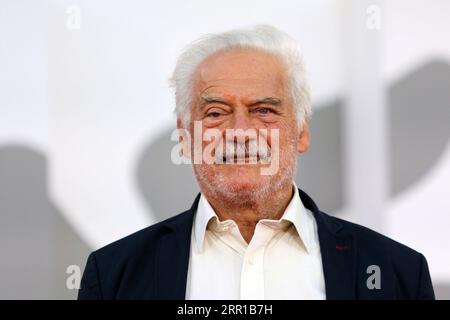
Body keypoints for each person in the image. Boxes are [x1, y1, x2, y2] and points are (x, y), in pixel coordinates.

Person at [78, 25, 434, 300]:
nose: (241, 132)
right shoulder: (113, 276)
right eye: (216, 113)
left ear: (301, 132)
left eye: (264, 110)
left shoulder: (398, 272)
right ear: (185, 138)